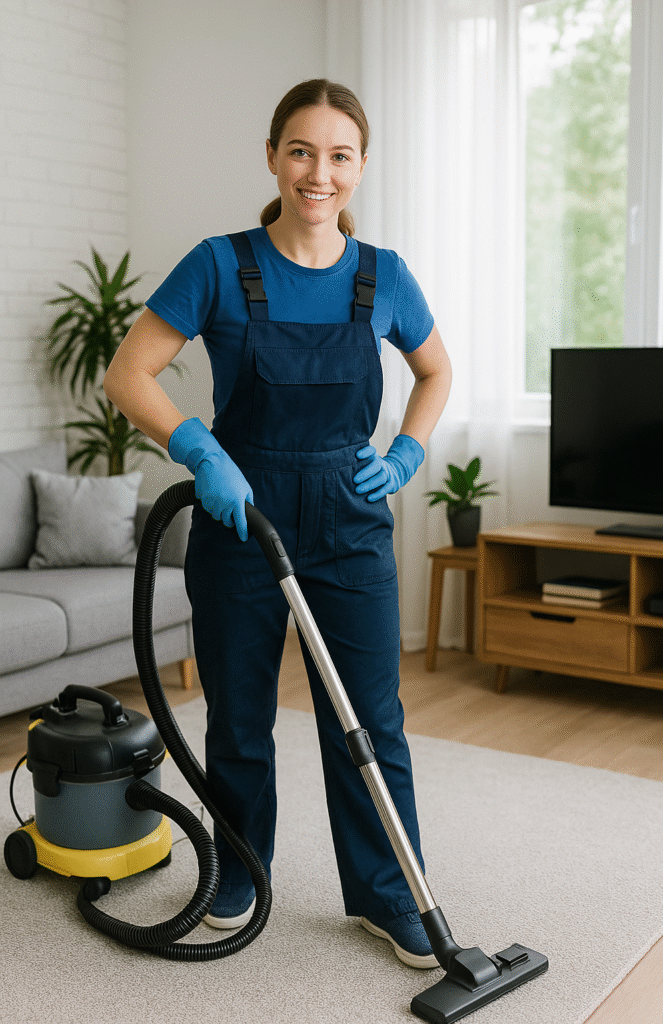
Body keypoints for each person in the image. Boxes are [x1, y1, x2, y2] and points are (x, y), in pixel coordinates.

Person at [103, 78, 452, 968]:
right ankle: (240, 871)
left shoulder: (384, 276)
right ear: (272, 156)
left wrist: (406, 455)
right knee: (238, 717)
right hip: (240, 514)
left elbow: (435, 372)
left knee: (369, 717)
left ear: (361, 166)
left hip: (349, 518)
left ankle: (386, 896)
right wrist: (198, 449)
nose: (319, 172)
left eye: (339, 155)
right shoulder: (220, 265)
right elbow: (129, 372)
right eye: (302, 150)